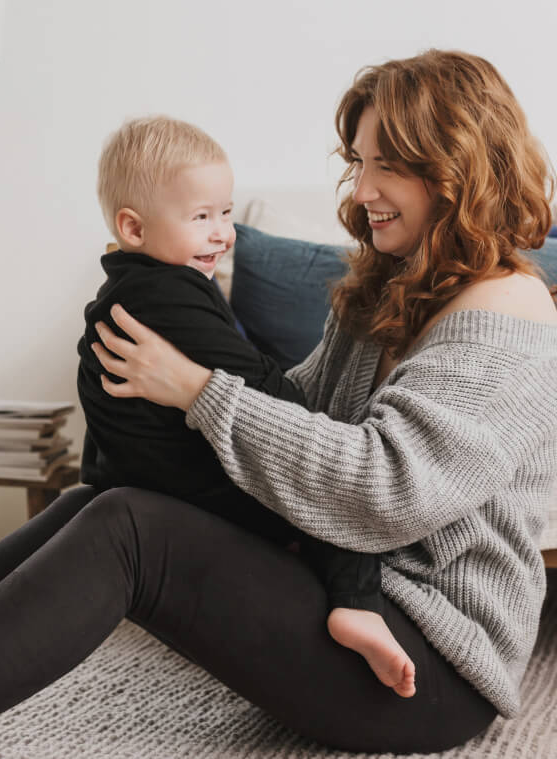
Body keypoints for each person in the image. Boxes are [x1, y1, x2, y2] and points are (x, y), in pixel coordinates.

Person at [0, 49, 557, 755]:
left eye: (386, 164)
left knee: (131, 529)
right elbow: (296, 409)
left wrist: (197, 387)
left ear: (454, 166)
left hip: (429, 667)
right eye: (358, 162)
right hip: (347, 599)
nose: (362, 191)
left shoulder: (509, 312)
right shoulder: (390, 289)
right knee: (92, 501)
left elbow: (381, 488)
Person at [77, 114, 416, 697]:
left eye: (227, 213)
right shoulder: (167, 295)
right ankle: (356, 602)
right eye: (201, 217)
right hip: (189, 491)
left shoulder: (125, 290)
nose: (223, 234)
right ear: (133, 228)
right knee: (326, 479)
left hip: (146, 480)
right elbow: (271, 394)